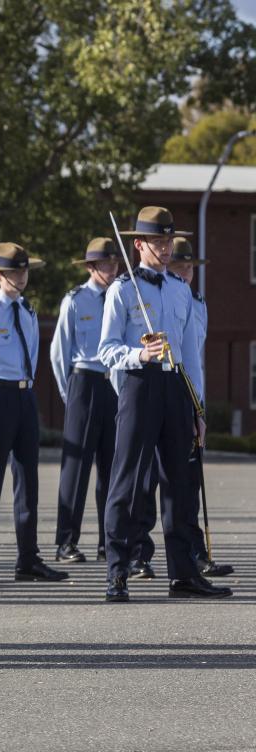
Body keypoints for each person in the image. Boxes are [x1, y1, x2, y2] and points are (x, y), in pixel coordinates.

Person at [97, 206, 230, 601]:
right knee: (126, 482)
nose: (166, 247)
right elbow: (105, 350)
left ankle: (184, 573)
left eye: (169, 240)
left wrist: (198, 409)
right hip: (140, 386)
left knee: (181, 487)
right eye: (158, 241)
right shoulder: (122, 290)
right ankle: (117, 572)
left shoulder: (180, 289)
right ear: (138, 245)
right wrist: (139, 355)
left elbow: (191, 354)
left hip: (176, 388)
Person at [0, 243, 67, 584]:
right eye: (13, 272)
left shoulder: (29, 312)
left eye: (23, 271)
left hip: (23, 396)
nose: (20, 278)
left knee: (27, 481)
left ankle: (28, 559)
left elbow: (32, 357)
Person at [155, 237, 232, 578]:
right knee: (147, 485)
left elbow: (194, 358)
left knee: (188, 484)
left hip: (187, 391)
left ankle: (196, 554)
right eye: (179, 267)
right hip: (157, 391)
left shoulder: (197, 302)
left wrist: (199, 406)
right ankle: (139, 556)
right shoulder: (157, 296)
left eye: (189, 268)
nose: (186, 273)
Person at [50, 237, 120, 563]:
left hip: (115, 384)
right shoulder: (75, 301)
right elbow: (58, 353)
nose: (112, 269)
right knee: (76, 470)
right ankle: (66, 542)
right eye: (106, 264)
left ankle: (110, 541)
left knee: (111, 469)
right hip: (85, 381)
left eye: (115, 263)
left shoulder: (121, 296)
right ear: (91, 267)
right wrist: (70, 394)